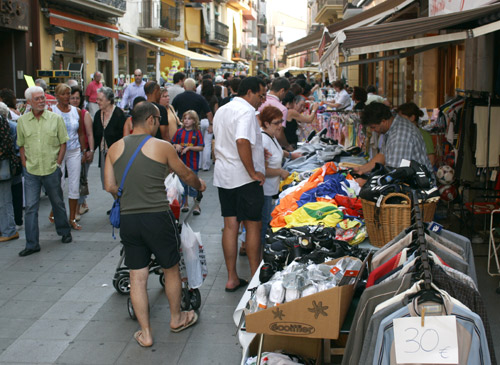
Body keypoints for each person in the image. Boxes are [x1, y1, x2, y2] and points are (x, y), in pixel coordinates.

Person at [104, 101, 206, 347]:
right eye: (158, 119)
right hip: (157, 217)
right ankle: (176, 319)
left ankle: (146, 333)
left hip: (129, 219)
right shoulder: (162, 146)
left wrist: (129, 195)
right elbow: (185, 174)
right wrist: (199, 184)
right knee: (170, 268)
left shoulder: (114, 148)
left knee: (137, 276)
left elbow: (109, 186)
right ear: (150, 119)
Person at [213, 76, 267, 291]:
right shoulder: (245, 111)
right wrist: (253, 172)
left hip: (225, 175)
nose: (262, 100)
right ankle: (255, 277)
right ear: (250, 92)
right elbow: (242, 141)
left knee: (230, 226)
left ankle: (232, 277)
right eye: (261, 95)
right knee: (253, 225)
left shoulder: (223, 109)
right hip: (244, 178)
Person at [17, 86, 72, 257]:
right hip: (32, 170)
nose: (41, 101)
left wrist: (58, 163)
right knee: (31, 208)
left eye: (43, 98)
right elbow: (21, 145)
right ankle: (32, 243)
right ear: (29, 103)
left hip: (50, 168)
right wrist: (25, 164)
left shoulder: (55, 119)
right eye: (37, 99)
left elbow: (63, 143)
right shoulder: (22, 121)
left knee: (57, 202)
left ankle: (64, 231)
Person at [354, 102, 433, 177]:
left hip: (418, 186)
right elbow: (382, 155)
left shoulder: (400, 136)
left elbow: (395, 172)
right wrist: (361, 169)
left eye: (373, 127)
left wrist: (365, 182)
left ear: (383, 121)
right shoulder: (392, 127)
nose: (372, 131)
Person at [259, 106, 301, 245]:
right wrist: (280, 172)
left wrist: (290, 155)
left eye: (280, 122)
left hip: (271, 189)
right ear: (266, 124)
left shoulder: (271, 136)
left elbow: (277, 150)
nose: (279, 126)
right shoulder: (263, 140)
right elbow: (262, 170)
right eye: (276, 123)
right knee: (264, 224)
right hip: (265, 191)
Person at [51, 84, 85, 230]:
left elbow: (81, 133)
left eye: (69, 94)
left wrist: (84, 151)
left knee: (74, 183)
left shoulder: (76, 111)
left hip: (74, 150)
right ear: (57, 96)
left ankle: (72, 218)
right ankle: (56, 212)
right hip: (57, 151)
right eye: (64, 94)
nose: (67, 97)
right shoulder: (51, 111)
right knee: (59, 184)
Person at [93, 86, 127, 190]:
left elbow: (124, 137)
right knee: (107, 185)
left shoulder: (119, 114)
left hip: (117, 155)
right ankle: (118, 203)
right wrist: (90, 150)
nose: (97, 102)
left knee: (118, 183)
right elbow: (95, 135)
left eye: (100, 99)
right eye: (97, 99)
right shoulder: (98, 114)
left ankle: (120, 204)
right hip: (104, 153)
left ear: (109, 100)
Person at [172, 110, 204, 214]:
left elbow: (201, 147)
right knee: (183, 185)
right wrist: (176, 145)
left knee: (194, 184)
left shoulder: (197, 133)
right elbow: (173, 143)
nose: (186, 121)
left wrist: (189, 148)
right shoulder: (179, 132)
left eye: (189, 119)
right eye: (184, 118)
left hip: (193, 163)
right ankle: (185, 204)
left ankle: (196, 206)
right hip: (181, 163)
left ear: (194, 121)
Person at [70, 86, 95, 219]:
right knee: (76, 180)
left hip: (82, 151)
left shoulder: (84, 114)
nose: (74, 100)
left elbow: (90, 134)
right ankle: (82, 203)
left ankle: (78, 207)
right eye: (72, 98)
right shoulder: (66, 112)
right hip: (68, 151)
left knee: (80, 179)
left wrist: (90, 150)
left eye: (77, 98)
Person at [0, 102, 23, 227]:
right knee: (15, 194)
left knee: (7, 198)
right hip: (14, 163)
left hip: (9, 164)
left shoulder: (9, 127)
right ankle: (16, 220)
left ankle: (10, 226)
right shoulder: (13, 126)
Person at [258, 77, 291, 150]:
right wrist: (287, 146)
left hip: (257, 144)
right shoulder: (282, 109)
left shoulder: (258, 101)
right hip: (272, 147)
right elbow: (279, 134)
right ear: (282, 91)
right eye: (286, 93)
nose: (285, 96)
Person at [199, 79, 218, 171]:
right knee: (207, 144)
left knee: (199, 143)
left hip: (200, 121)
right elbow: (216, 112)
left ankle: (199, 164)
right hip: (209, 121)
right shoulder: (214, 98)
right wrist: (212, 124)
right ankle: (206, 165)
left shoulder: (199, 97)